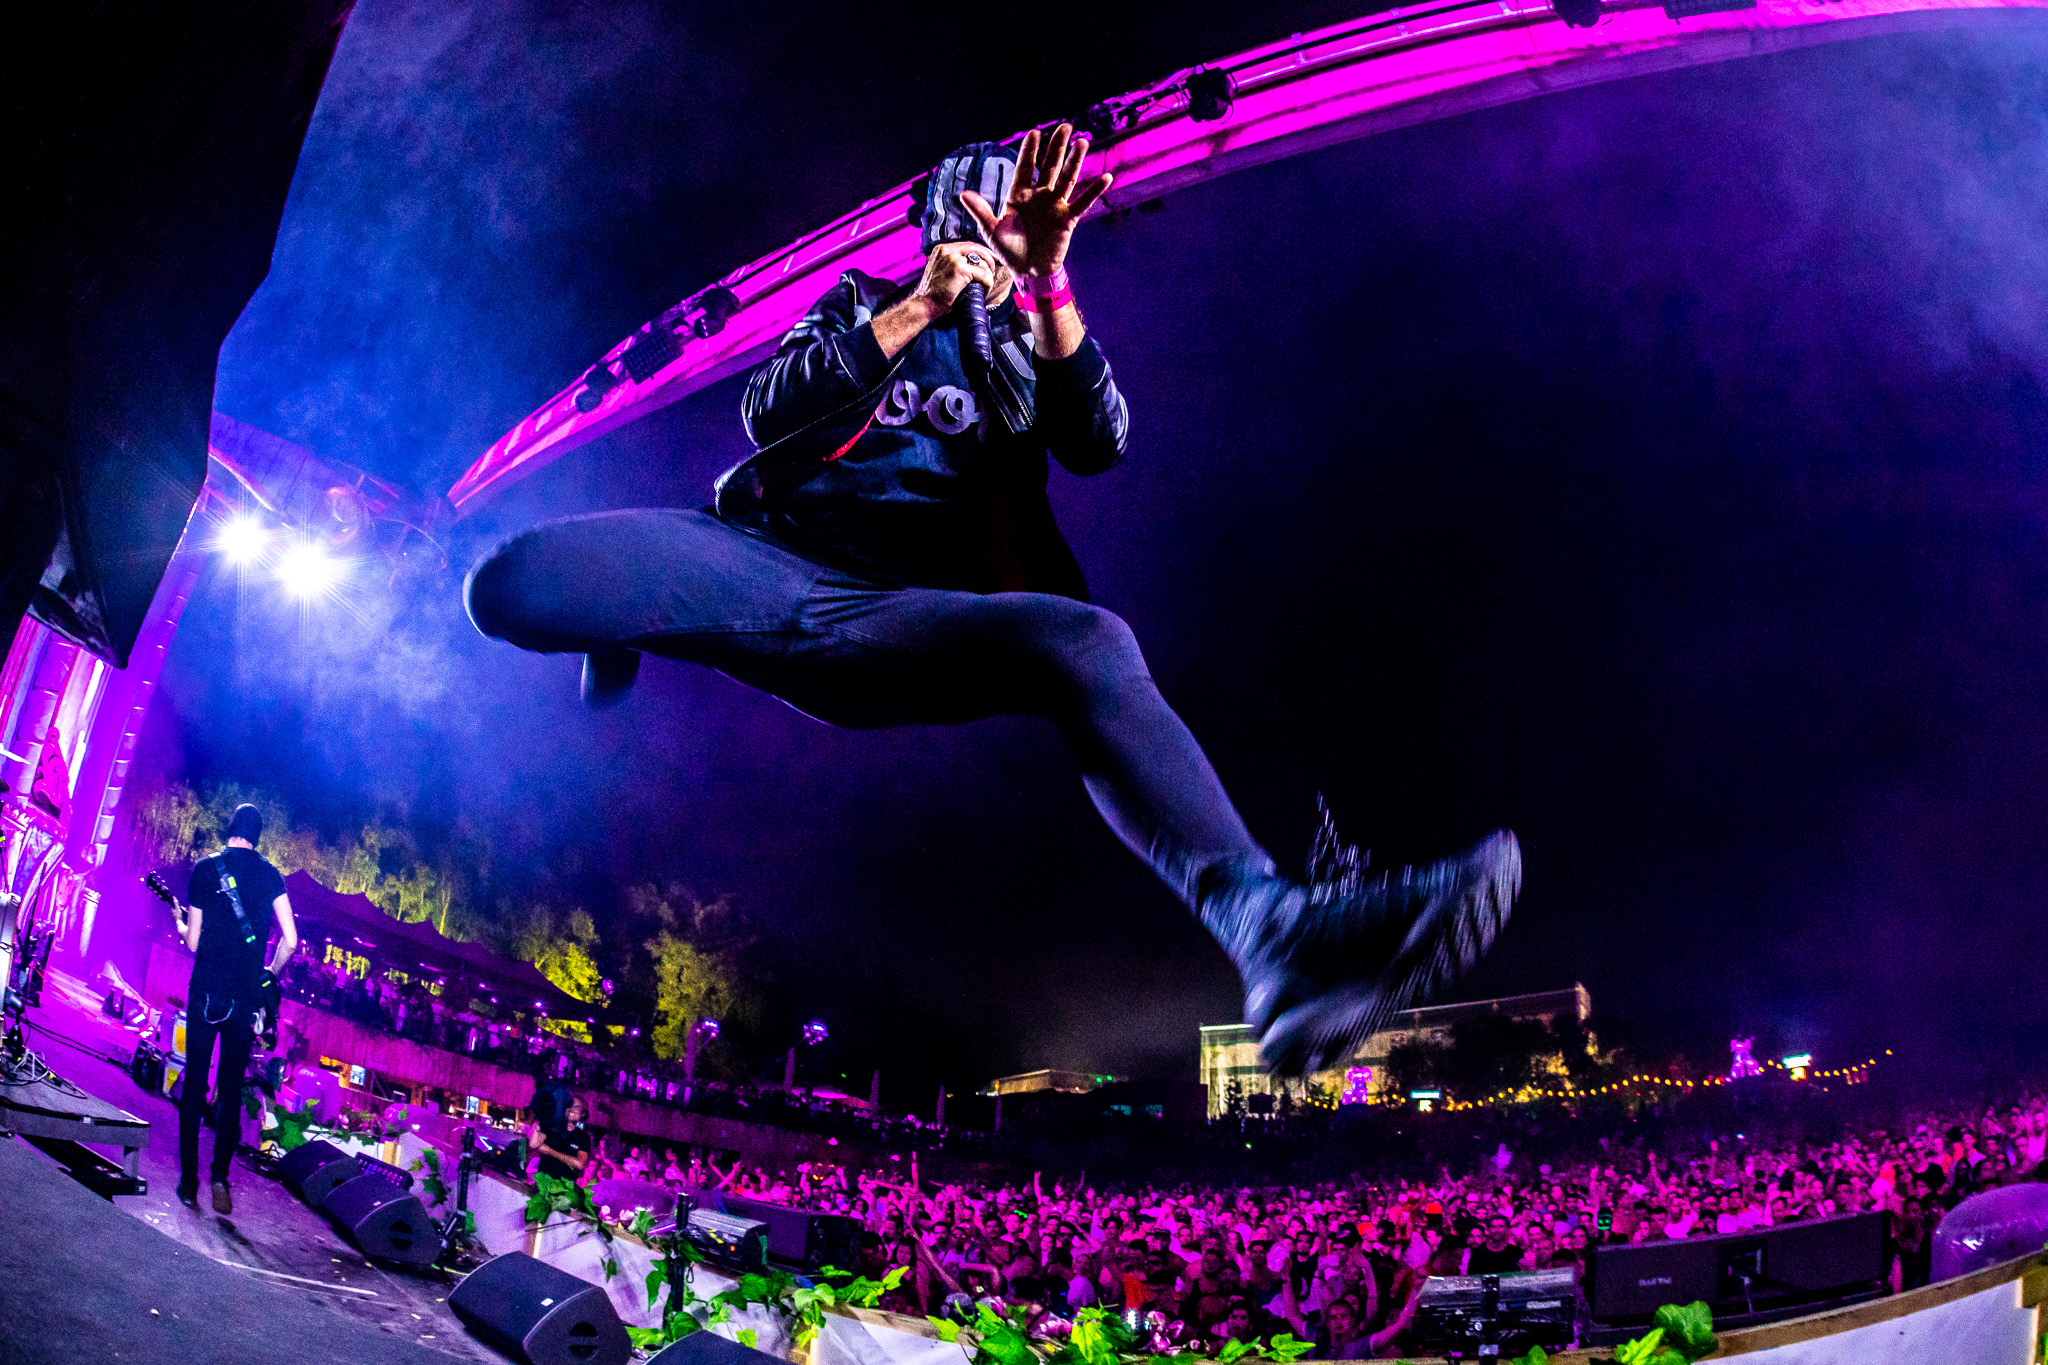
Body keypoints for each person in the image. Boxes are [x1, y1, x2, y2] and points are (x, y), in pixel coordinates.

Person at [464, 126, 1520, 1075]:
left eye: (1023, 229)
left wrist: (1050, 283)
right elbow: (767, 411)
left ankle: (1275, 935)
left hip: (893, 620)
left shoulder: (1028, 346)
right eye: (989, 220)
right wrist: (918, 306)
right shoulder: (861, 303)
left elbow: (1098, 443)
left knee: (1088, 640)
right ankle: (627, 626)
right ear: (942, 224)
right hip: (760, 562)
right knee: (509, 582)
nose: (1003, 244)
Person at [172, 803, 298, 1213]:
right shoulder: (271, 875)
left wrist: (180, 925)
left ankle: (188, 1183)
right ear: (258, 837)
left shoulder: (206, 868)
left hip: (207, 990)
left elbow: (193, 942)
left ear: (229, 829)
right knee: (229, 1091)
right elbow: (291, 940)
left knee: (195, 1084)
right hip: (244, 998)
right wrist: (271, 972)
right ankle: (220, 1178)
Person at [528, 1094, 593, 1181]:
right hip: (544, 1181)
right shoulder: (552, 1127)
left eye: (577, 1107)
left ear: (583, 1114)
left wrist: (550, 1151)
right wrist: (538, 1124)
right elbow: (533, 1144)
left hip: (565, 1186)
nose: (572, 1109)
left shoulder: (583, 1137)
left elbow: (579, 1164)